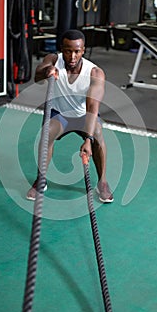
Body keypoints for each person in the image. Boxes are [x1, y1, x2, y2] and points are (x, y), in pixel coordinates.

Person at [26, 29, 113, 203]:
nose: (72, 56)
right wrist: (47, 71)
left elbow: (92, 107)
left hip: (83, 115)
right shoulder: (53, 60)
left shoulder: (95, 73)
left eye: (77, 51)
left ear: (83, 50)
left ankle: (102, 182)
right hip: (60, 115)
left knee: (96, 132)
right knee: (46, 133)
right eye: (67, 51)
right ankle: (41, 179)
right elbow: (38, 76)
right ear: (61, 49)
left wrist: (87, 139)